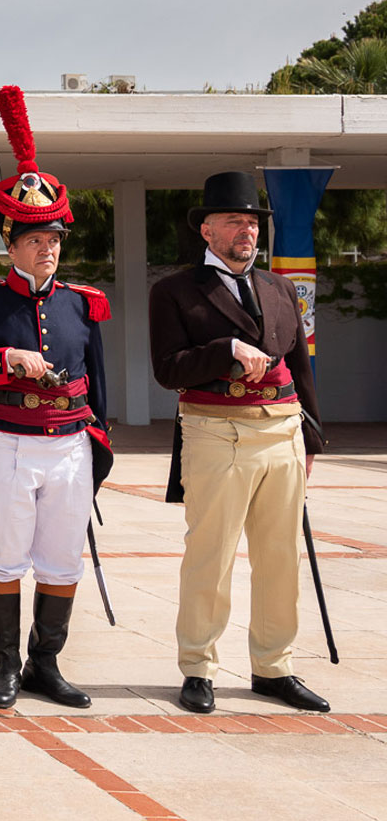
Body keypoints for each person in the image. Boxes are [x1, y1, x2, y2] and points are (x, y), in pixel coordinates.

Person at [0, 85, 113, 710]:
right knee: (5, 557)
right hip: (7, 444)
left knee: (63, 560)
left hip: (69, 446)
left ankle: (47, 663)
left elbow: (98, 386)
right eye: (36, 239)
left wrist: (97, 448)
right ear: (9, 243)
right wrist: (5, 360)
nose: (48, 248)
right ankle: (6, 666)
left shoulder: (82, 304)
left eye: (55, 238)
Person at [149, 170, 329, 715]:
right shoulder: (175, 291)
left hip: (282, 429)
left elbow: (299, 364)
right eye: (233, 221)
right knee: (211, 556)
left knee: (280, 558)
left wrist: (311, 438)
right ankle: (198, 667)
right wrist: (226, 349)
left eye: (252, 222)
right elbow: (168, 369)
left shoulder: (278, 288)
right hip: (216, 430)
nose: (246, 230)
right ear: (206, 230)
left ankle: (274, 667)